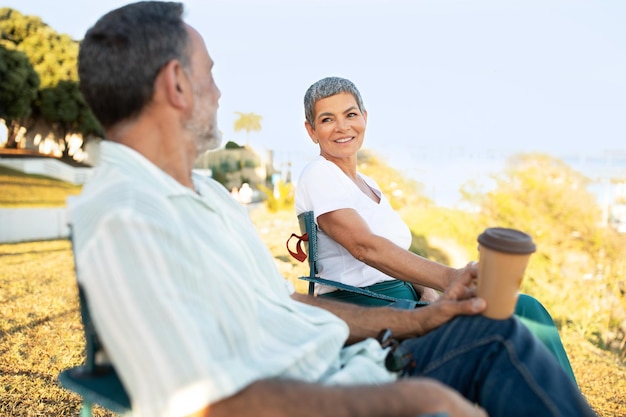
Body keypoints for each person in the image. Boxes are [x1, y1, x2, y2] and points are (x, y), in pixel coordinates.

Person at [70, 2, 596, 417]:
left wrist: (418, 321)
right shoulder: (129, 218)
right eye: (210, 73)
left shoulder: (201, 198)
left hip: (356, 361)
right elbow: (205, 405)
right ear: (178, 85)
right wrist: (406, 401)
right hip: (337, 387)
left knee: (499, 331)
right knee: (503, 341)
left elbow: (284, 306)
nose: (220, 90)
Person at [294, 76, 577, 380]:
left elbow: (393, 253)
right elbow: (365, 247)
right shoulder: (319, 173)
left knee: (521, 310)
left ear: (365, 117)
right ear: (311, 131)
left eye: (350, 114)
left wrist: (429, 293)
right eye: (327, 119)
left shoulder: (369, 185)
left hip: (407, 302)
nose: (342, 126)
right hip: (367, 309)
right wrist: (450, 278)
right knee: (521, 311)